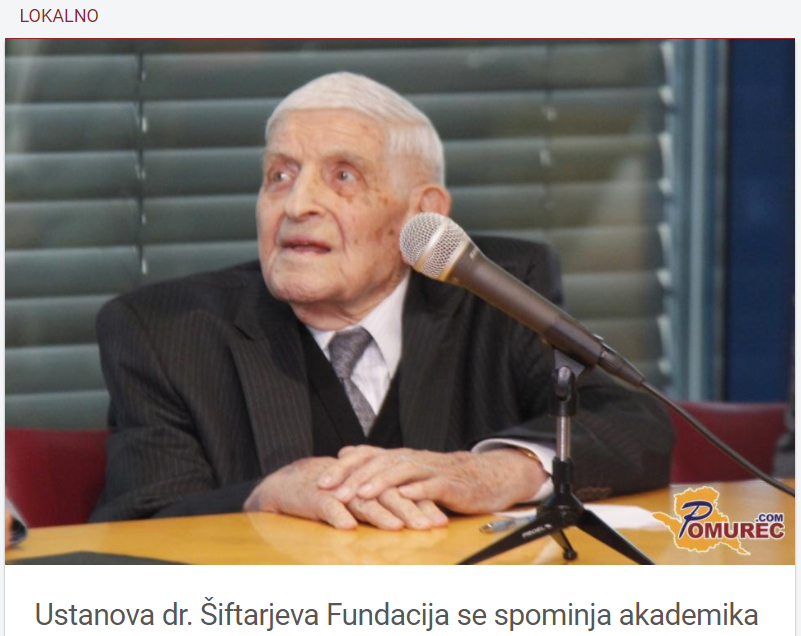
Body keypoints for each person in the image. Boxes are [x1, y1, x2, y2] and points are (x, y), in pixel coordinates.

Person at [91, 72, 673, 529]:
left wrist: (494, 472)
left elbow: (634, 429)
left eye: (343, 176)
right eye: (279, 175)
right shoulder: (166, 331)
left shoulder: (495, 291)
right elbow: (140, 522)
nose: (296, 205)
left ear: (424, 213)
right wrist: (261, 497)